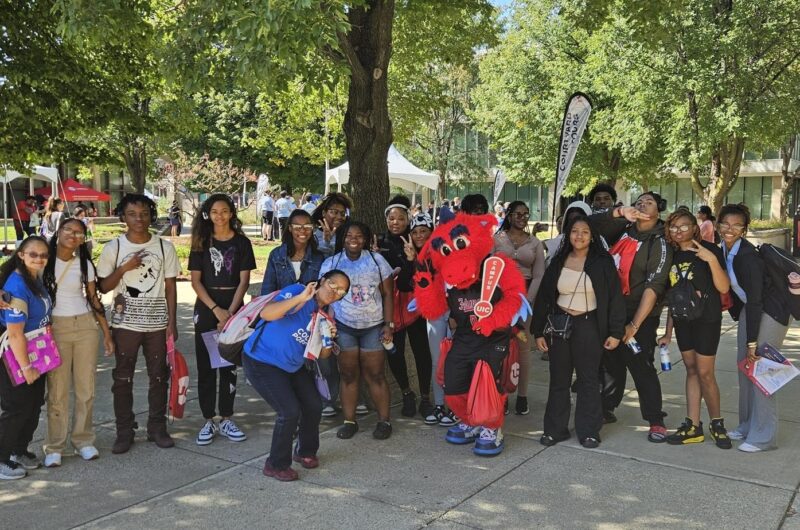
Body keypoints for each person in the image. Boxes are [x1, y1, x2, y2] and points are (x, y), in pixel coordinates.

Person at [244, 271, 349, 481]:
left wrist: (329, 338)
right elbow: (267, 314)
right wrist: (301, 298)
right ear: (321, 281)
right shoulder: (297, 291)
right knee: (289, 411)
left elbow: (321, 354)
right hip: (262, 360)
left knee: (313, 405)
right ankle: (275, 464)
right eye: (332, 284)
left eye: (341, 291)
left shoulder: (328, 313)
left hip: (293, 366)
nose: (335, 292)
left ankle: (305, 451)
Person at [97, 194, 181, 454]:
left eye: (144, 213)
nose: (139, 219)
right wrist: (124, 269)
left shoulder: (164, 247)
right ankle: (125, 430)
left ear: (151, 215)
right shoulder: (115, 247)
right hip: (125, 324)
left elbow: (170, 287)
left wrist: (172, 321)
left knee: (159, 376)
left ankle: (157, 427)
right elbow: (102, 286)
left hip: (157, 323)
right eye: (132, 214)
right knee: (123, 378)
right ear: (123, 216)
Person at [533, 216, 625, 448]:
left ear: (592, 235)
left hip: (589, 326)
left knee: (588, 380)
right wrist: (538, 331)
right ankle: (555, 430)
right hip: (559, 325)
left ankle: (589, 431)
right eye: (575, 231)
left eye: (585, 231)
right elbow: (544, 296)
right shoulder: (559, 260)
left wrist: (615, 333)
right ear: (568, 234)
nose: (579, 236)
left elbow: (615, 299)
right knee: (559, 379)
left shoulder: (602, 262)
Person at [591, 192, 671, 441]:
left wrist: (634, 325)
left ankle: (655, 418)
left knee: (640, 364)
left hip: (641, 313)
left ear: (659, 209)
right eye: (639, 201)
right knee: (610, 361)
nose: (642, 205)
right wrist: (617, 212)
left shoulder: (660, 240)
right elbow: (589, 226)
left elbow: (654, 286)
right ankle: (606, 407)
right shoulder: (624, 229)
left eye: (649, 202)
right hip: (612, 309)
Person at [41, 219, 114, 467]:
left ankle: (83, 440)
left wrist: (106, 332)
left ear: (84, 238)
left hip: (84, 326)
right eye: (69, 230)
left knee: (86, 388)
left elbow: (93, 298)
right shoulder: (43, 259)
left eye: (79, 233)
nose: (73, 235)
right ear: (58, 231)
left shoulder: (84, 264)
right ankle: (55, 445)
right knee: (57, 390)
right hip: (55, 328)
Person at [657, 210, 732, 449]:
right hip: (682, 321)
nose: (678, 231)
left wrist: (710, 259)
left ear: (694, 227)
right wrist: (668, 332)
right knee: (691, 370)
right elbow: (672, 297)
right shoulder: (671, 255)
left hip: (706, 320)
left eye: (683, 226)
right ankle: (693, 426)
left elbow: (723, 287)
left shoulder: (710, 250)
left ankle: (717, 424)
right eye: (673, 227)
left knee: (705, 373)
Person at [719, 204, 791, 452]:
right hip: (750, 310)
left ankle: (764, 437)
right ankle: (747, 425)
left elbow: (758, 299)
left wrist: (752, 342)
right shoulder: (725, 249)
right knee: (745, 368)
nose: (730, 229)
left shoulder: (747, 256)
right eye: (726, 223)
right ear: (718, 224)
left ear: (744, 229)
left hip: (770, 312)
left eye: (737, 225)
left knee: (761, 371)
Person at [189, 194, 255, 446]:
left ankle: (227, 416)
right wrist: (216, 310)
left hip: (234, 308)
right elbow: (196, 281)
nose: (220, 216)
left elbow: (244, 280)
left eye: (224, 211)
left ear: (231, 213)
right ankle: (208, 419)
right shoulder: (201, 242)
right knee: (206, 366)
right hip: (207, 308)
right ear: (208, 214)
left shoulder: (242, 243)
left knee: (228, 364)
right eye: (215, 211)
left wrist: (230, 312)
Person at [320, 221, 395, 440]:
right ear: (342, 238)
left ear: (366, 239)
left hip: (374, 326)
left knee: (376, 375)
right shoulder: (332, 263)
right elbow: (323, 297)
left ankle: (384, 421)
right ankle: (350, 421)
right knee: (349, 375)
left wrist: (388, 325)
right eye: (349, 235)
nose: (354, 239)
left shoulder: (377, 261)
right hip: (343, 327)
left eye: (359, 236)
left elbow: (388, 294)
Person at [0, 236, 52, 479]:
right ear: (21, 254)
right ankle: (2, 458)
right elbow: (15, 333)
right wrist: (26, 367)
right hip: (17, 354)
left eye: (43, 254)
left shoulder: (34, 278)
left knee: (32, 406)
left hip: (36, 349)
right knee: (16, 408)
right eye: (33, 254)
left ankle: (18, 450)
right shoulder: (17, 285)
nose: (39, 259)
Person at [378, 195, 434, 420]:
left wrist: (413, 259)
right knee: (394, 351)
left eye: (401, 218)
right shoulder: (379, 242)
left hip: (415, 305)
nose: (395, 222)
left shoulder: (417, 240)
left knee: (422, 351)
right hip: (391, 306)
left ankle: (425, 397)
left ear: (407, 220)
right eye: (391, 218)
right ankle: (406, 393)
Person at [405, 212, 458, 426]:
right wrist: (413, 261)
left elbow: (456, 283)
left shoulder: (444, 250)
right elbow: (415, 285)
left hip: (453, 313)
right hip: (433, 314)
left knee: (455, 360)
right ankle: (439, 404)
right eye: (415, 232)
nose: (419, 236)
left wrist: (455, 313)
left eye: (423, 231)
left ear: (432, 231)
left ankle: (455, 406)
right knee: (437, 360)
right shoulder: (415, 256)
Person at [494, 201, 545, 415]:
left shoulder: (535, 243)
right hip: (500, 299)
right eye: (518, 214)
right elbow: (489, 268)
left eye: (526, 214)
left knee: (523, 347)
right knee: (500, 347)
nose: (522, 218)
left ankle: (522, 396)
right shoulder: (497, 239)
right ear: (509, 215)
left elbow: (539, 274)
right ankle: (502, 393)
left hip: (524, 302)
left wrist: (527, 301)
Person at [544, 201, 592, 265]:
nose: (575, 223)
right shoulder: (561, 240)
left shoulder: (599, 241)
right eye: (571, 220)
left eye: (579, 219)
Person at [311, 192, 352, 258]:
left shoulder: (347, 236)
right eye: (334, 212)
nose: (339, 217)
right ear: (324, 213)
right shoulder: (313, 238)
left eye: (342, 213)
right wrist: (326, 243)